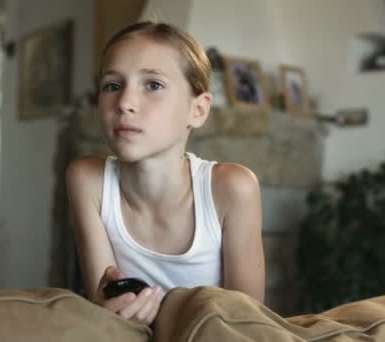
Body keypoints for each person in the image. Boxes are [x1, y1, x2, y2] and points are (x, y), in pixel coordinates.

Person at [66, 21, 265, 326]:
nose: (125, 103)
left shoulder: (233, 189)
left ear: (197, 110)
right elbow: (102, 304)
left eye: (153, 85)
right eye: (112, 86)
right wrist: (111, 306)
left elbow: (248, 324)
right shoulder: (87, 180)